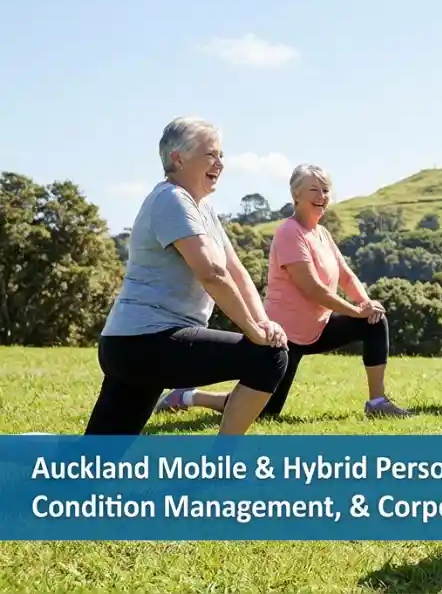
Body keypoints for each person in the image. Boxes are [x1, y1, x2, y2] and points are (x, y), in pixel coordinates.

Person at [83, 117, 289, 435]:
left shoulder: (201, 207)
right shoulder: (172, 199)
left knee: (93, 459)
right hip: (149, 342)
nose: (220, 163)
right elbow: (213, 273)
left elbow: (236, 270)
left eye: (221, 155)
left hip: (129, 345)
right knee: (269, 357)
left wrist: (263, 322)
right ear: (178, 158)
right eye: (211, 154)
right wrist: (253, 331)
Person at [156, 164, 410, 419]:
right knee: (265, 411)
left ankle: (377, 402)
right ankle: (189, 396)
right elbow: (312, 288)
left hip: (318, 328)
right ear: (296, 195)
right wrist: (354, 310)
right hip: (285, 337)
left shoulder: (321, 233)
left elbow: (345, 275)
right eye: (314, 190)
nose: (321, 196)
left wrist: (366, 303)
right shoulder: (289, 232)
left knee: (374, 322)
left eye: (325, 190)